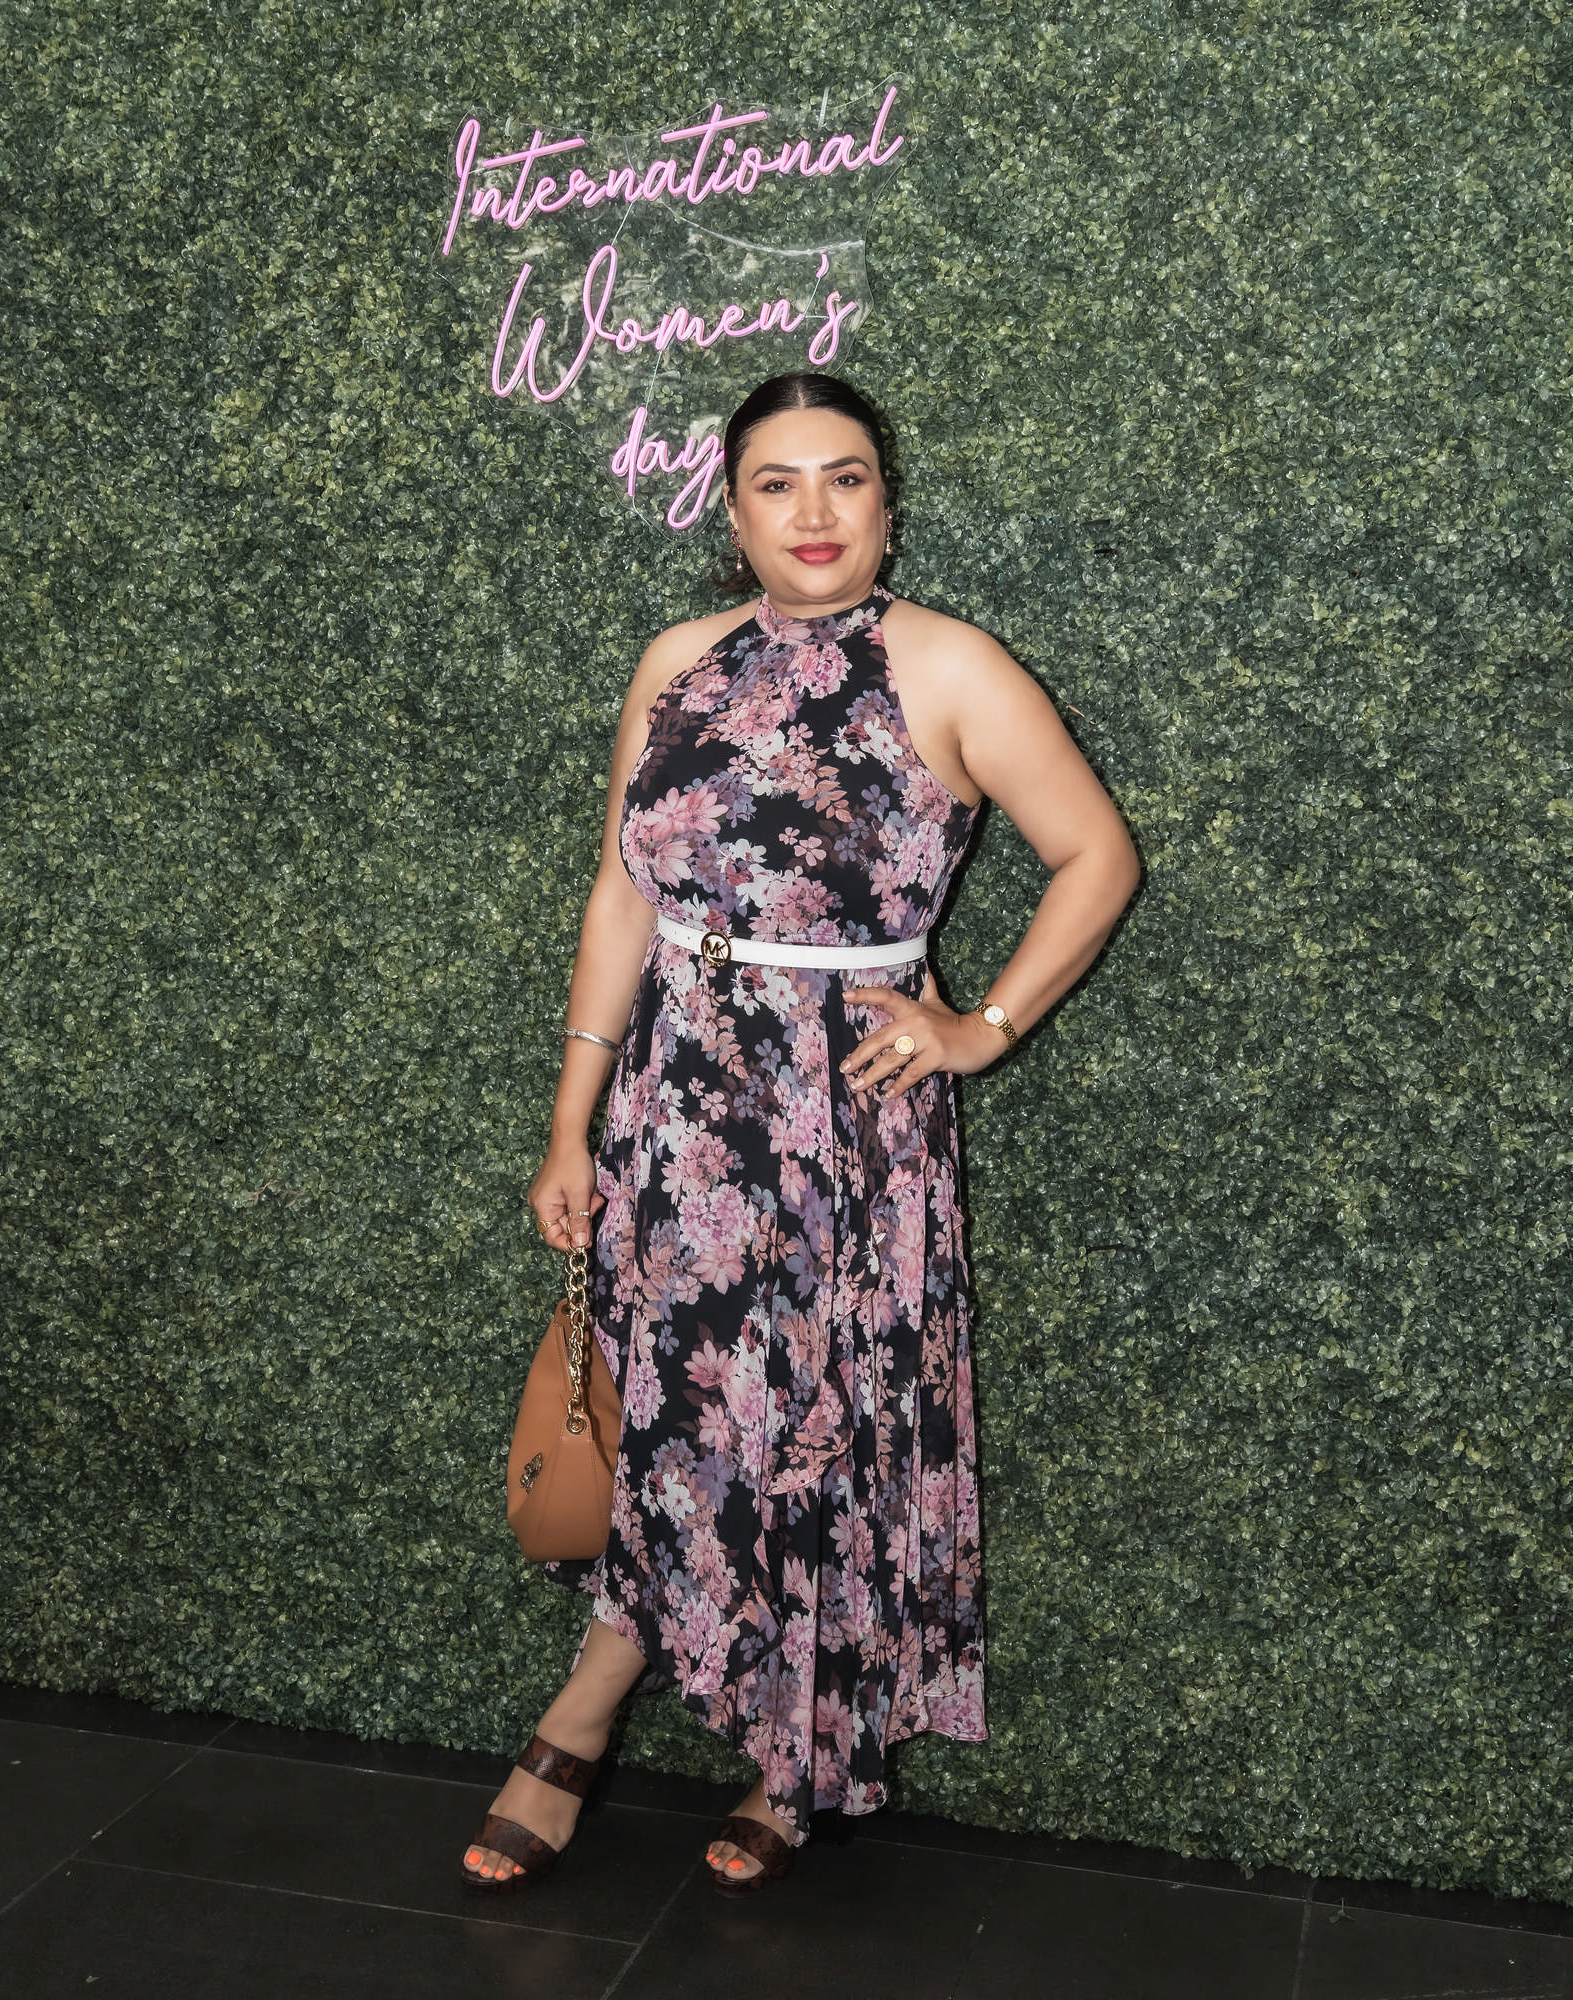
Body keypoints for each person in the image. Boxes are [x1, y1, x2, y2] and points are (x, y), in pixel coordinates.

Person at [460, 371, 1140, 1897]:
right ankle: (628, 1700)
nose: (815, 512)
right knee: (669, 1421)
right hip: (674, 1108)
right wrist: (572, 1123)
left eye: (847, 477)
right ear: (732, 508)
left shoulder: (950, 664)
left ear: (887, 501)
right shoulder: (677, 661)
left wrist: (983, 1025)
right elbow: (623, 891)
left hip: (844, 1126)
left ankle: (759, 1746)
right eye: (779, 482)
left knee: (816, 1432)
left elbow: (1097, 853)